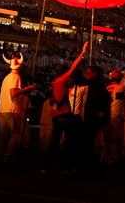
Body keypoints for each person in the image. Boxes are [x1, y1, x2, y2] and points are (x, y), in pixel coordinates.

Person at [41, 41, 87, 172]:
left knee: (55, 141)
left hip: (56, 116)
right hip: (65, 115)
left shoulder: (55, 83)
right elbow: (74, 65)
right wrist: (82, 52)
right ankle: (68, 165)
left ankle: (47, 166)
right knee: (70, 140)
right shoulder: (62, 81)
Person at [0, 53, 35, 162]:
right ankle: (8, 157)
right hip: (12, 110)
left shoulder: (6, 77)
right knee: (15, 134)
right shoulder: (16, 77)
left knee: (3, 137)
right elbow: (13, 93)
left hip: (2, 110)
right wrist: (27, 88)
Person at [79, 65, 109, 173]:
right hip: (90, 117)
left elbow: (102, 101)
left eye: (88, 73)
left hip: (92, 118)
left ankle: (90, 166)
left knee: (90, 142)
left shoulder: (97, 85)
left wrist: (99, 113)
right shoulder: (93, 85)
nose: (86, 75)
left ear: (94, 74)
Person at [102, 69, 125, 166]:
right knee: (115, 139)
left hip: (107, 115)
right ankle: (113, 158)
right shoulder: (120, 88)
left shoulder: (107, 88)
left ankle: (104, 157)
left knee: (106, 139)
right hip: (115, 115)